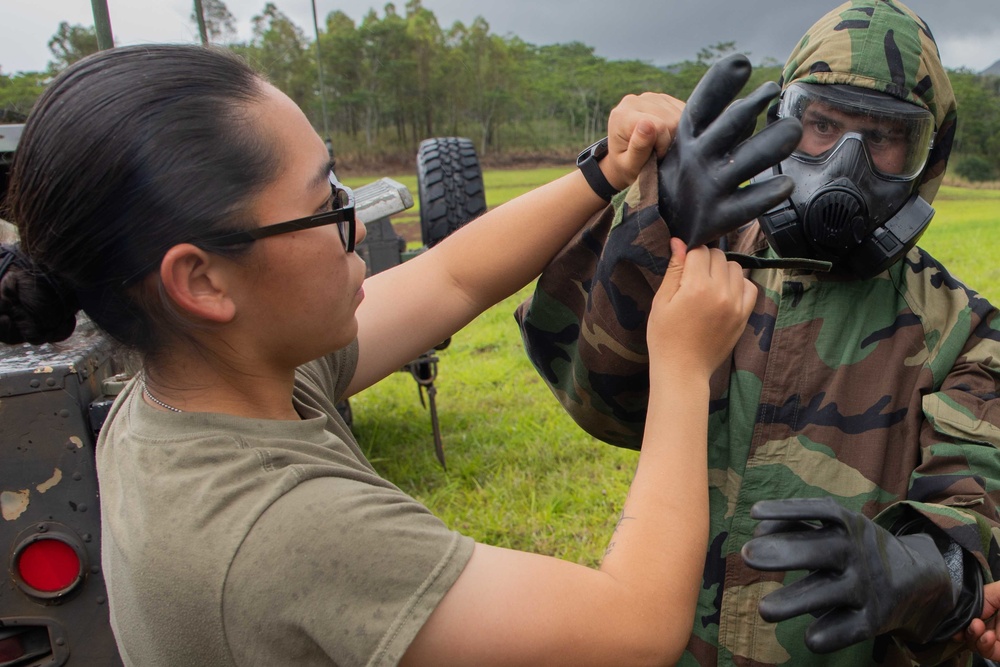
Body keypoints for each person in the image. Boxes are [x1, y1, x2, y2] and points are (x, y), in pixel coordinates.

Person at [0, 44, 800, 666]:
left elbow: (448, 276)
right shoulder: (285, 530)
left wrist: (604, 171)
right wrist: (683, 367)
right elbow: (633, 629)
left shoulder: (195, 387)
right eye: (326, 206)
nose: (360, 227)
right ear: (202, 280)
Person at [515, 1, 1000, 665]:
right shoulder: (707, 257)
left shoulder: (964, 333)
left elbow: (973, 517)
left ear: (927, 153)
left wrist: (924, 569)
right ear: (785, 124)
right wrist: (651, 228)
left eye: (884, 137)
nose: (844, 164)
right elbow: (601, 403)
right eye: (822, 124)